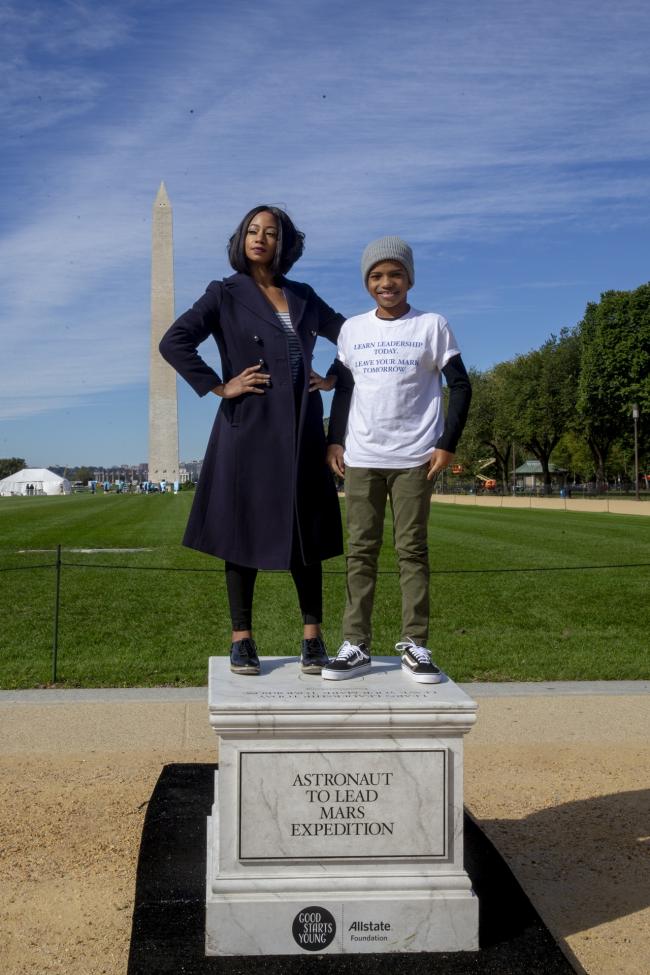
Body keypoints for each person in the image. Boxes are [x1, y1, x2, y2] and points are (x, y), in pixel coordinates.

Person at [160, 205, 345, 677]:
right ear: (241, 238)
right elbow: (174, 341)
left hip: (303, 427)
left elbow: (353, 337)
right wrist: (220, 386)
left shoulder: (303, 295)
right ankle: (241, 639)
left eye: (271, 232)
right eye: (253, 231)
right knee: (241, 532)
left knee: (307, 532)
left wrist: (333, 378)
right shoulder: (224, 293)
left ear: (285, 243)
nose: (260, 238)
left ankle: (312, 637)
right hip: (250, 425)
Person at [324, 236, 472, 683]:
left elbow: (460, 385)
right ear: (366, 282)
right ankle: (356, 643)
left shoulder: (432, 325)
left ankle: (415, 644)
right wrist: (334, 441)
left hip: (415, 456)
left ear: (409, 279)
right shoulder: (352, 330)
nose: (385, 283)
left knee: (412, 551)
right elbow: (345, 389)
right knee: (360, 552)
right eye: (376, 276)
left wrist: (447, 443)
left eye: (395, 274)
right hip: (362, 455)